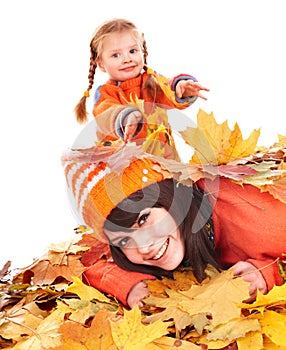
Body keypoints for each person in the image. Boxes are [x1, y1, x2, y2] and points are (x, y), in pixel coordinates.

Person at [64, 151, 286, 308]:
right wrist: (127, 286)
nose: (144, 246)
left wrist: (268, 272)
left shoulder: (261, 215)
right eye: (124, 241)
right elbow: (83, 261)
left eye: (143, 220)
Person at [74, 18, 209, 158]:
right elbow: (106, 113)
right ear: (101, 64)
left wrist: (181, 88)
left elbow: (167, 89)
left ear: (142, 51)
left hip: (163, 159)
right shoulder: (105, 93)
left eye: (133, 51)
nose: (127, 59)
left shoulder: (151, 81)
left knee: (176, 178)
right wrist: (125, 118)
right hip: (126, 165)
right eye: (116, 55)